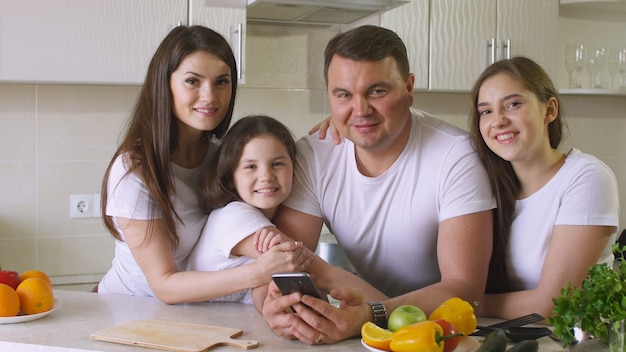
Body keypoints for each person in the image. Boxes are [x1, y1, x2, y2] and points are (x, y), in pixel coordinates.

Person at [258, 25, 496, 344]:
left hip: (450, 333)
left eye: (377, 91)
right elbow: (283, 263)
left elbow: (465, 291)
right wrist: (274, 309)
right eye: (343, 95)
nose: (360, 110)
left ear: (409, 87)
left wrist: (372, 315)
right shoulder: (313, 155)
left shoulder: (456, 156)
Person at [97, 25, 310, 303]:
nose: (210, 96)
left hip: (187, 312)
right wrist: (259, 272)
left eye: (222, 81)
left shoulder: (219, 156)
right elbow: (165, 286)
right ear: (165, 84)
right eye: (193, 81)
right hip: (127, 307)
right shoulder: (136, 169)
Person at [469, 56, 620, 320]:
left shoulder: (586, 178)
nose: (499, 120)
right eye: (486, 111)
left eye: (513, 104)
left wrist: (458, 302)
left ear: (549, 110)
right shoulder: (488, 184)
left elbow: (553, 302)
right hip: (511, 336)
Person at [186, 115, 386, 305]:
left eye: (277, 164)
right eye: (250, 167)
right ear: (230, 176)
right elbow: (325, 275)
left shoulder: (273, 220)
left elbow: (309, 289)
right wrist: (394, 312)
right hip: (185, 326)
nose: (266, 176)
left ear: (295, 168)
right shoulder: (236, 217)